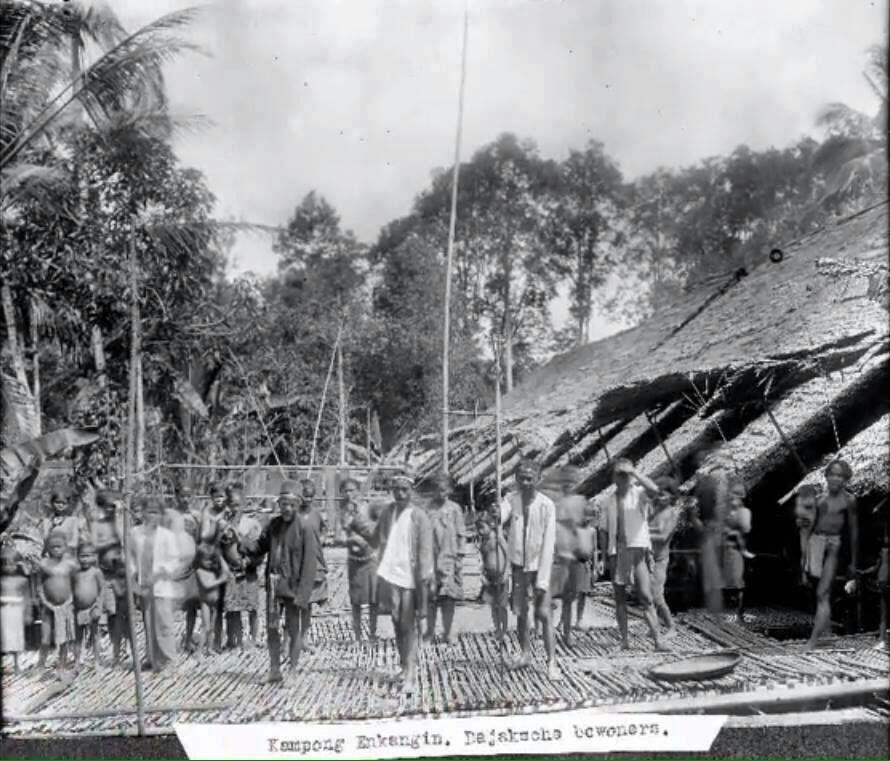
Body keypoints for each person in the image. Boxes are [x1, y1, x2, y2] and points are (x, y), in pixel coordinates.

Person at [243, 480, 317, 684]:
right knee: (272, 628)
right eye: (284, 503)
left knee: (293, 629)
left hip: (293, 587)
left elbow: (310, 564)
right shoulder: (274, 525)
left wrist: (303, 595)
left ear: (298, 504)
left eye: (292, 504)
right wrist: (241, 542)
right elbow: (259, 547)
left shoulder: (306, 527)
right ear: (279, 504)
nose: (287, 508)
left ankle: (292, 671)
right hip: (274, 584)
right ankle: (274, 669)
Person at [498, 459, 560, 679]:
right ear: (516, 479)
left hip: (538, 567)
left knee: (543, 614)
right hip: (518, 567)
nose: (525, 482)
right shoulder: (511, 500)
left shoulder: (547, 506)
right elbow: (500, 514)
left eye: (529, 478)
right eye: (521, 478)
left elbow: (548, 544)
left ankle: (551, 661)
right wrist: (495, 511)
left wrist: (542, 580)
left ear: (538, 479)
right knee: (522, 613)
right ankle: (525, 654)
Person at [374, 468, 433, 696]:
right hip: (391, 574)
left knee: (409, 624)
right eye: (396, 490)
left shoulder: (419, 516)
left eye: (404, 490)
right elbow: (381, 539)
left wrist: (424, 582)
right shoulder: (388, 512)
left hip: (411, 576)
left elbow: (426, 553)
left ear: (411, 491)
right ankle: (403, 664)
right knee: (397, 620)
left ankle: (411, 673)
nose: (400, 494)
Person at [599, 459, 668, 652]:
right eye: (619, 474)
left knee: (646, 597)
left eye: (625, 474)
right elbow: (603, 530)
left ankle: (657, 641)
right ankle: (624, 640)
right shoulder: (607, 502)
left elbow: (655, 491)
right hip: (616, 551)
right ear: (613, 477)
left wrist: (635, 472)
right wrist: (604, 557)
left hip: (638, 549)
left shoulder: (639, 494)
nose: (622, 478)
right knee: (619, 598)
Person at [128, 496, 187, 673]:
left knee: (163, 623)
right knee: (148, 622)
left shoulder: (167, 536)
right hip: (144, 583)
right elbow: (130, 557)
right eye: (148, 512)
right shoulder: (135, 533)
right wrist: (133, 575)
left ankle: (169, 660)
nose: (151, 516)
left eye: (156, 513)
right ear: (142, 513)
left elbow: (175, 560)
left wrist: (164, 570)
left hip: (162, 584)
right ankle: (152, 657)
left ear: (161, 515)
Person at [805, 460, 859, 650]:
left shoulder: (849, 500)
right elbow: (810, 529)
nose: (836, 478)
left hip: (833, 547)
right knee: (818, 593)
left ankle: (813, 641)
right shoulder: (820, 500)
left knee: (822, 593)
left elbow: (853, 532)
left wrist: (853, 562)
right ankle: (828, 635)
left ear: (845, 479)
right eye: (833, 474)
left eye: (840, 475)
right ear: (826, 476)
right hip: (816, 545)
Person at [546, 466, 590, 648]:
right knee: (549, 595)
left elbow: (585, 526)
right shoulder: (553, 502)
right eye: (565, 482)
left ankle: (566, 633)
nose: (568, 486)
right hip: (557, 554)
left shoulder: (580, 501)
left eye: (571, 483)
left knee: (570, 596)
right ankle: (547, 629)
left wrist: (584, 549)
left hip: (573, 553)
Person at [690, 441, 734, 616]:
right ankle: (716, 609)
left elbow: (720, 505)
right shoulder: (718, 477)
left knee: (713, 570)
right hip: (717, 527)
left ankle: (715, 611)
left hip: (714, 527)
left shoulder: (713, 478)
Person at [425, 474, 466, 643]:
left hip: (450, 558)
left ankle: (448, 631)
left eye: (443, 490)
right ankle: (429, 631)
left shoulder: (455, 509)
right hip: (431, 559)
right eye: (436, 490)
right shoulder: (429, 509)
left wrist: (460, 556)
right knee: (431, 598)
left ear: (449, 490)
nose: (440, 494)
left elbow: (461, 533)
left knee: (448, 598)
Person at [221, 483, 262, 650]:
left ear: (244, 505)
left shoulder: (251, 524)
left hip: (249, 570)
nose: (235, 508)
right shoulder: (223, 524)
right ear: (227, 504)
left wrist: (248, 560)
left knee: (252, 606)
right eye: (232, 504)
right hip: (230, 571)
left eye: (238, 505)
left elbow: (256, 548)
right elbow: (220, 547)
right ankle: (233, 638)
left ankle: (253, 637)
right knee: (232, 607)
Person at [90, 490, 129, 667]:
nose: (111, 510)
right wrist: (109, 543)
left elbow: (125, 541)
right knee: (106, 613)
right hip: (105, 574)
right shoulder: (97, 525)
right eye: (109, 507)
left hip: (121, 573)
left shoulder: (122, 522)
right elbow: (93, 546)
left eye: (114, 507)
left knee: (121, 613)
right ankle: (107, 652)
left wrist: (120, 516)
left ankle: (120, 650)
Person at [340, 477, 379, 643]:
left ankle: (372, 633)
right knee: (356, 600)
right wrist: (352, 540)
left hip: (370, 559)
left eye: (352, 490)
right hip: (355, 560)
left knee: (373, 598)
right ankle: (356, 636)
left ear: (358, 491)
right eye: (346, 491)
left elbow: (377, 532)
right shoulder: (342, 512)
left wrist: (360, 525)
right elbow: (338, 537)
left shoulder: (368, 508)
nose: (349, 494)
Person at [37, 529, 78, 671]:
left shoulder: (70, 565)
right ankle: (40, 664)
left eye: (59, 546)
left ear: (65, 547)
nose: (56, 550)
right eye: (53, 547)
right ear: (47, 548)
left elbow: (75, 582)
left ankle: (62, 664)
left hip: (66, 606)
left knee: (64, 639)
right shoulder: (44, 564)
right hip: (48, 607)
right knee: (45, 638)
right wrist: (44, 601)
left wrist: (71, 600)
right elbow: (39, 585)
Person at [648, 476, 683, 637]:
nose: (660, 498)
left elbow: (663, 537)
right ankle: (654, 626)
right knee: (649, 594)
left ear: (672, 497)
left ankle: (671, 627)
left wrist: (643, 534)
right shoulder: (655, 512)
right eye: (659, 494)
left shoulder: (671, 514)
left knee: (657, 595)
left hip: (660, 559)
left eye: (664, 495)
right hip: (649, 557)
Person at [297, 478, 328, 653]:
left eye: (310, 496)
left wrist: (320, 541)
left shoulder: (316, 514)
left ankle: (304, 639)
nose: (307, 499)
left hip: (313, 562)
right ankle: (290, 640)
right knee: (293, 603)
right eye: (304, 496)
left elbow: (323, 529)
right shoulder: (293, 514)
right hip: (297, 562)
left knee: (308, 604)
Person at [199, 482, 228, 651]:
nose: (220, 500)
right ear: (211, 498)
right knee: (209, 601)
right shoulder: (207, 513)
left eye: (222, 496)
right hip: (211, 557)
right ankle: (206, 643)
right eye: (217, 497)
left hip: (225, 555)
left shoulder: (228, 511)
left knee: (222, 604)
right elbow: (204, 536)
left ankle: (218, 641)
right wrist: (215, 524)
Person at [722, 478, 753, 623]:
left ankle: (739, 612)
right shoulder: (727, 512)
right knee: (728, 580)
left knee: (737, 580)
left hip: (737, 550)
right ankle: (733, 613)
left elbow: (745, 528)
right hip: (726, 548)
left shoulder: (744, 512)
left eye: (735, 496)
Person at [195, 543, 232, 657]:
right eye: (206, 560)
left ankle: (209, 648)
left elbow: (227, 570)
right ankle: (199, 651)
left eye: (212, 560)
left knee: (212, 627)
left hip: (215, 602)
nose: (209, 563)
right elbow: (206, 585)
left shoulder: (214, 569)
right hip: (205, 602)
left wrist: (220, 557)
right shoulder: (199, 571)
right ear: (200, 559)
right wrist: (221, 580)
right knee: (205, 627)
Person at [477, 513, 509, 643]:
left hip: (501, 575)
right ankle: (497, 628)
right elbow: (482, 561)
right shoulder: (482, 542)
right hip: (489, 576)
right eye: (478, 528)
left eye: (482, 527)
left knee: (502, 605)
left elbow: (507, 556)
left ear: (490, 525)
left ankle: (504, 630)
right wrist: (482, 575)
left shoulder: (498, 539)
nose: (480, 531)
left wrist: (506, 571)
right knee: (493, 605)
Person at [72, 542, 106, 668]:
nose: (85, 559)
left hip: (92, 608)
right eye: (82, 556)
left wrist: (98, 606)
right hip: (79, 609)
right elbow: (72, 588)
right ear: (77, 557)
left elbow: (102, 589)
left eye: (88, 556)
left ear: (94, 557)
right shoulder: (75, 573)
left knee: (95, 635)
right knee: (78, 637)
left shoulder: (96, 572)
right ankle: (77, 661)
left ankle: (96, 661)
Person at [1, 542, 29, 674]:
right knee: (4, 637)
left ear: (17, 564)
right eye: (4, 563)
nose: (8, 567)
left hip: (17, 611)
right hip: (3, 611)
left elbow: (27, 597)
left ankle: (17, 664)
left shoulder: (22, 581)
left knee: (17, 638)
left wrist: (27, 613)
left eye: (11, 563)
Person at [40, 492, 86, 557]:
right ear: (52, 503)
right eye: (57, 502)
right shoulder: (47, 521)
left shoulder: (73, 520)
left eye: (64, 503)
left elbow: (74, 542)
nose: (60, 505)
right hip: (51, 559)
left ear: (68, 505)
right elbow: (46, 540)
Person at [794, 485, 818, 585]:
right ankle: (803, 577)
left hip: (809, 529)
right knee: (804, 552)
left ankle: (805, 575)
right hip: (806, 530)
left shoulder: (804, 503)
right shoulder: (803, 502)